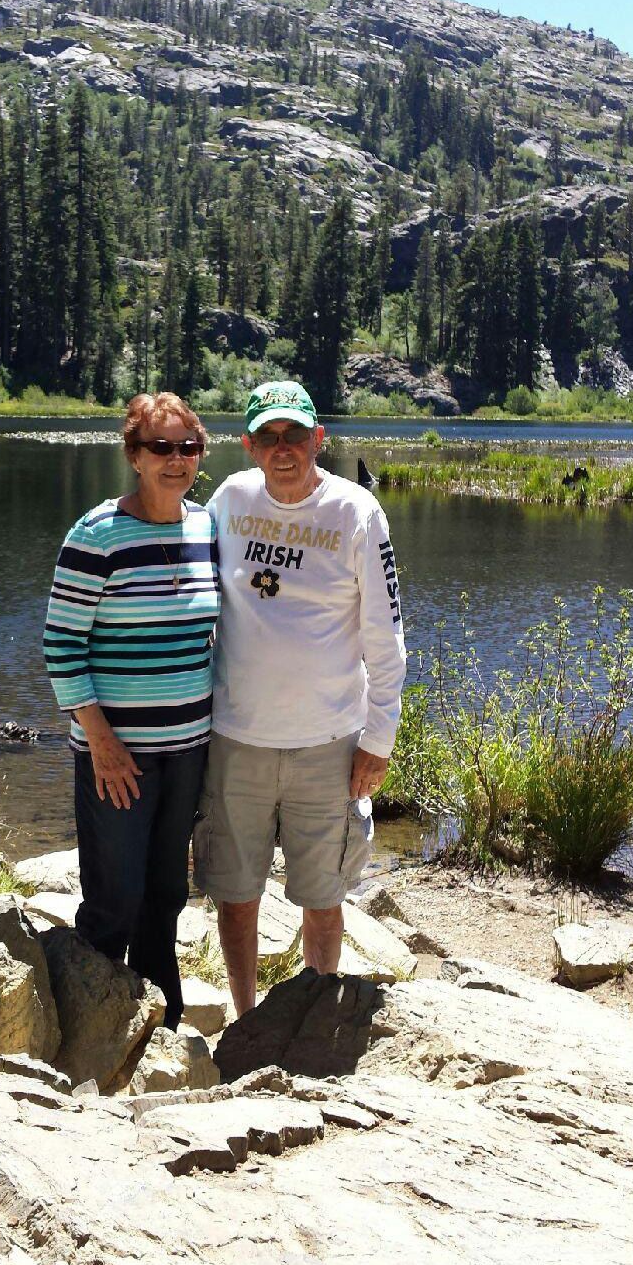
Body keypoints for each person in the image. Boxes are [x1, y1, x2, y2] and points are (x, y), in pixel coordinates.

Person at [194, 379, 406, 1015]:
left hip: (329, 743)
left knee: (323, 896)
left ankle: (311, 1018)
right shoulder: (229, 500)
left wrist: (379, 739)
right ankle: (245, 1018)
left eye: (293, 434)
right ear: (248, 445)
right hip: (237, 738)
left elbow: (386, 635)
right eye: (268, 436)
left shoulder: (356, 512)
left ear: (319, 437)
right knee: (237, 895)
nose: (281, 448)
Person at [43, 393, 220, 1029]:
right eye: (160, 447)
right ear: (135, 456)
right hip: (118, 753)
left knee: (167, 892)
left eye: (188, 447)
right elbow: (61, 646)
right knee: (114, 897)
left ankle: (159, 1024)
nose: (176, 460)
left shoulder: (205, 528)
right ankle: (87, 1028)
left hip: (188, 750)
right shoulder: (97, 535)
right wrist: (101, 742)